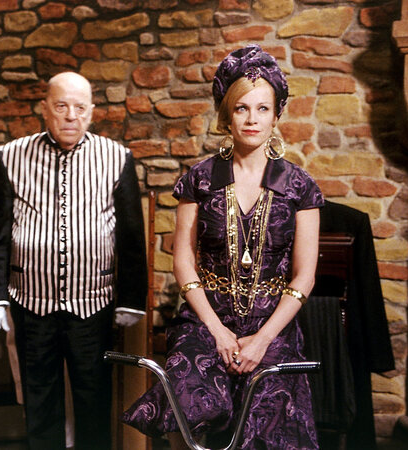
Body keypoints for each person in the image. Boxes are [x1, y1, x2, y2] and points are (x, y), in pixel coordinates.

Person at [122, 45, 324, 449]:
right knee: (187, 400)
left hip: (273, 325)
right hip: (205, 321)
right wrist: (217, 332)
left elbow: (304, 276)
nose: (252, 119)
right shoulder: (199, 180)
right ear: (227, 115)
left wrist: (262, 339)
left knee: (269, 417)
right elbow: (183, 261)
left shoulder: (300, 186)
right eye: (241, 108)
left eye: (262, 109)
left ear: (277, 115)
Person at [0, 71, 148, 450]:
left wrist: (131, 299)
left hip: (93, 303)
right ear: (44, 109)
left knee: (94, 397)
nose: (71, 115)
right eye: (61, 106)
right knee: (39, 398)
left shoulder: (117, 158)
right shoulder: (11, 156)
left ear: (92, 112)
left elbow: (131, 237)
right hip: (31, 301)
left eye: (80, 108)